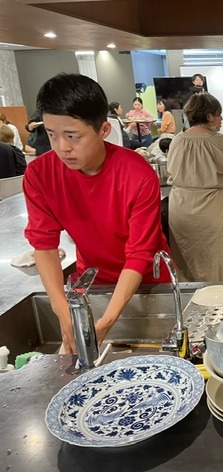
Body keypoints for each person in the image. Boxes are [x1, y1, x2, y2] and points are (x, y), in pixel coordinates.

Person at [23, 73, 171, 354]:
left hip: (147, 284)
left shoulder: (136, 173)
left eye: (72, 136)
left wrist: (108, 321)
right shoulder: (40, 174)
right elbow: (43, 244)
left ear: (104, 130)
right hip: (95, 285)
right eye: (52, 135)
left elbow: (139, 253)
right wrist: (63, 311)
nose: (62, 147)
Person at [167, 93, 223, 282]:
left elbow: (170, 172)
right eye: (219, 114)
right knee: (217, 264)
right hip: (212, 208)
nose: (221, 119)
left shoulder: (176, 140)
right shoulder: (221, 142)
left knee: (186, 264)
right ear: (209, 116)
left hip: (180, 208)